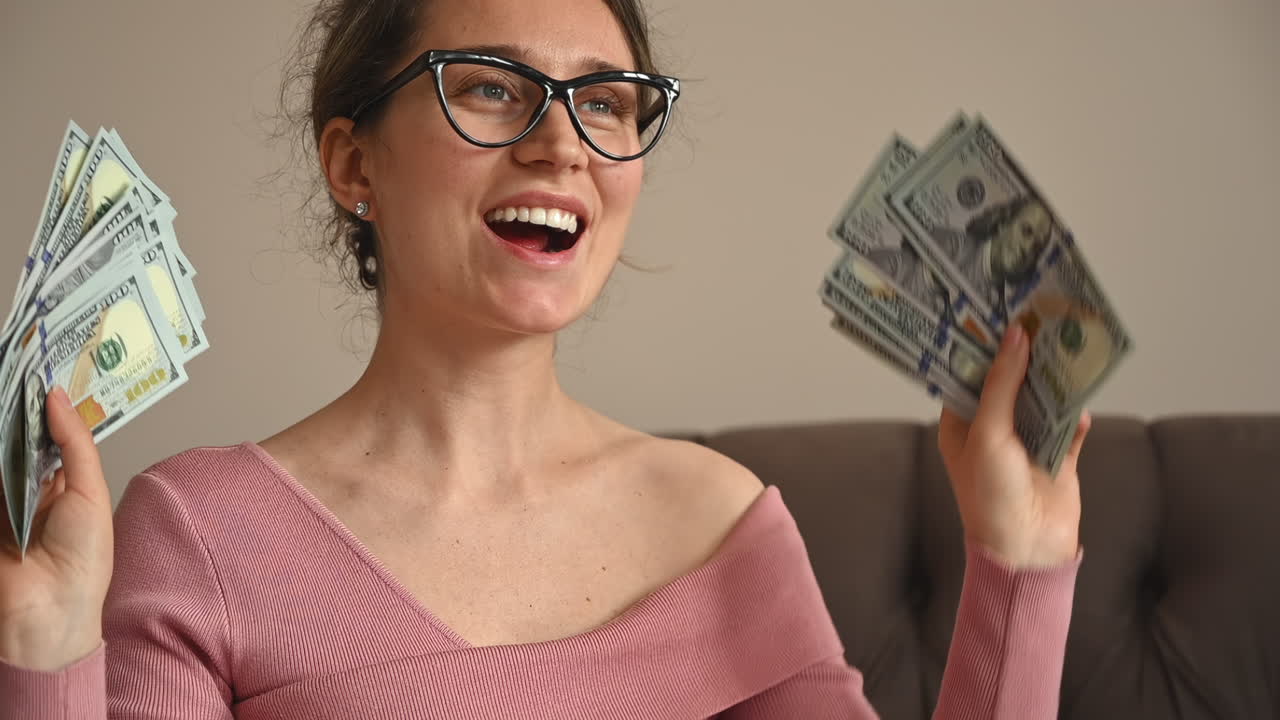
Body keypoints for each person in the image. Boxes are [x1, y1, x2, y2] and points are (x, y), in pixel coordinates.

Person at [0, 0, 1092, 716]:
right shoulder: (199, 532)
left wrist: (1019, 567)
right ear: (352, 163)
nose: (561, 143)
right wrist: (45, 645)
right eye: (488, 86)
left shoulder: (725, 523)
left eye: (606, 103)